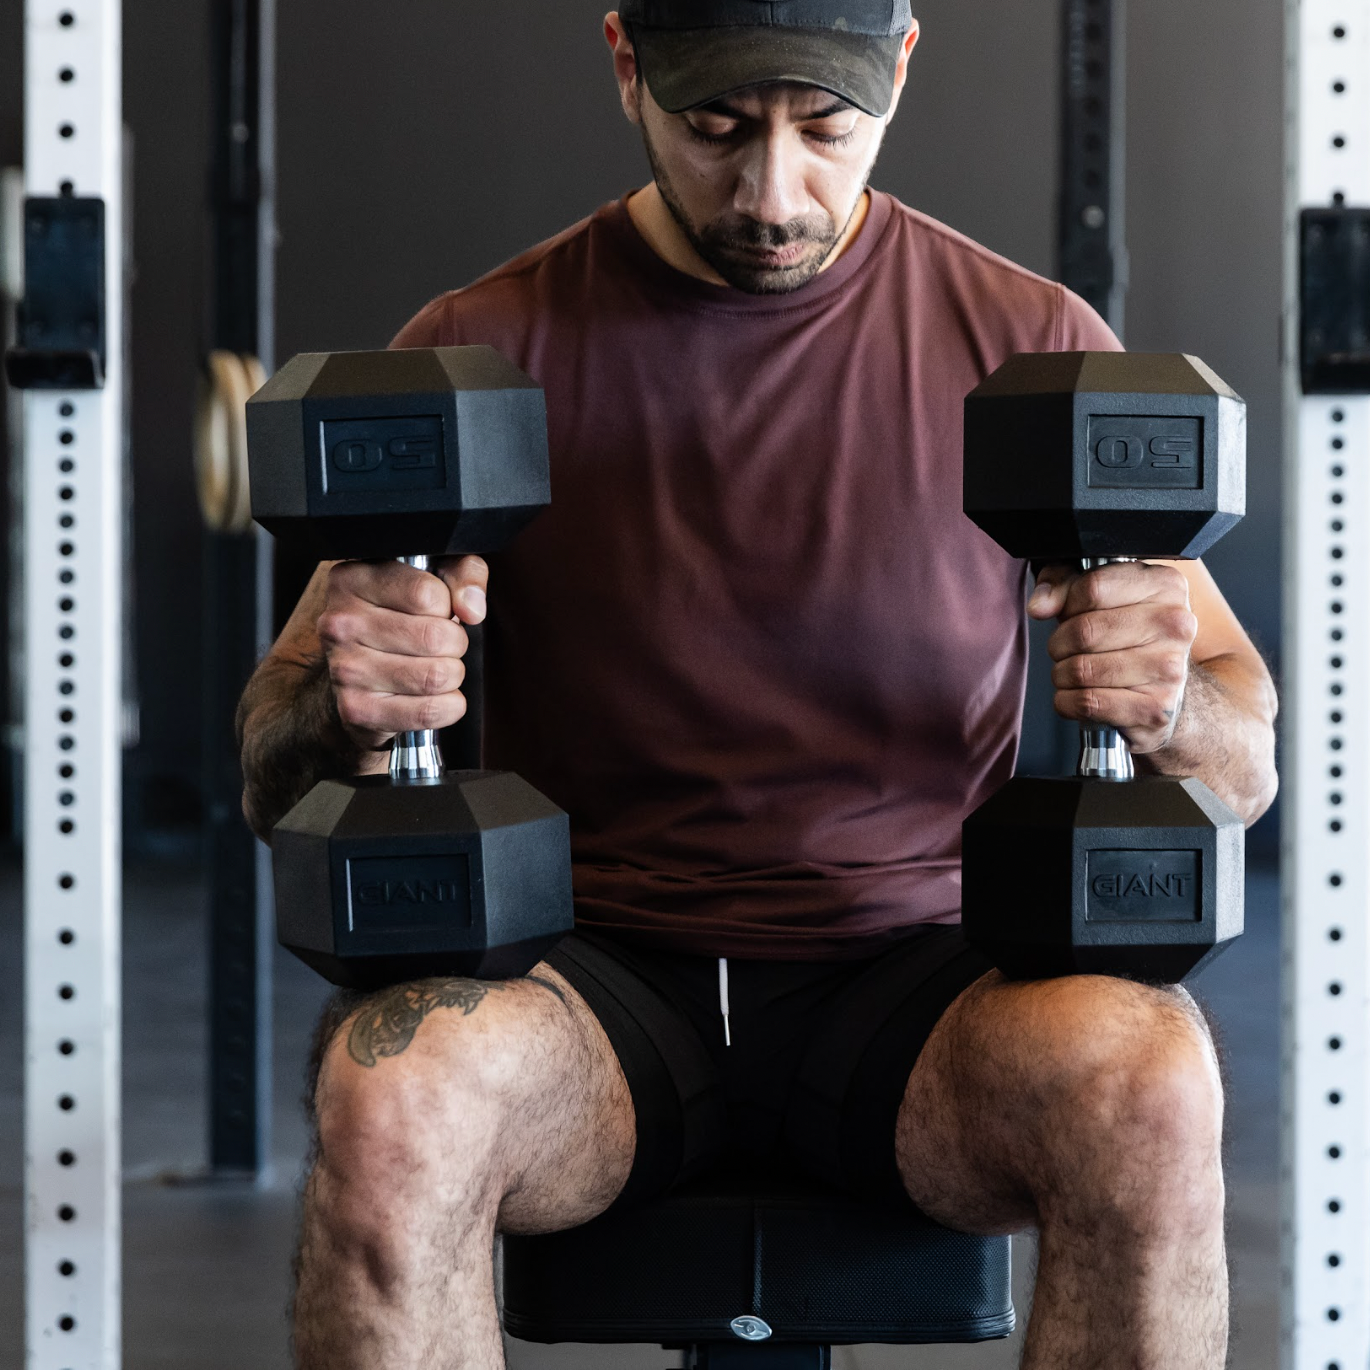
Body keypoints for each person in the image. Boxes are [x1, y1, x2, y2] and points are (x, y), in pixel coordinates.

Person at [237, 3, 1278, 1366]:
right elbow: (271, 760)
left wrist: (1164, 702)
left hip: (923, 983)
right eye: (717, 128)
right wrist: (347, 698)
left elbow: (1242, 756)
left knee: (1150, 1081)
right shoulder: (480, 340)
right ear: (626, 66)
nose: (772, 192)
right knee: (390, 1096)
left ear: (898, 68)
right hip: (590, 985)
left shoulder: (1029, 337)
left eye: (824, 130)